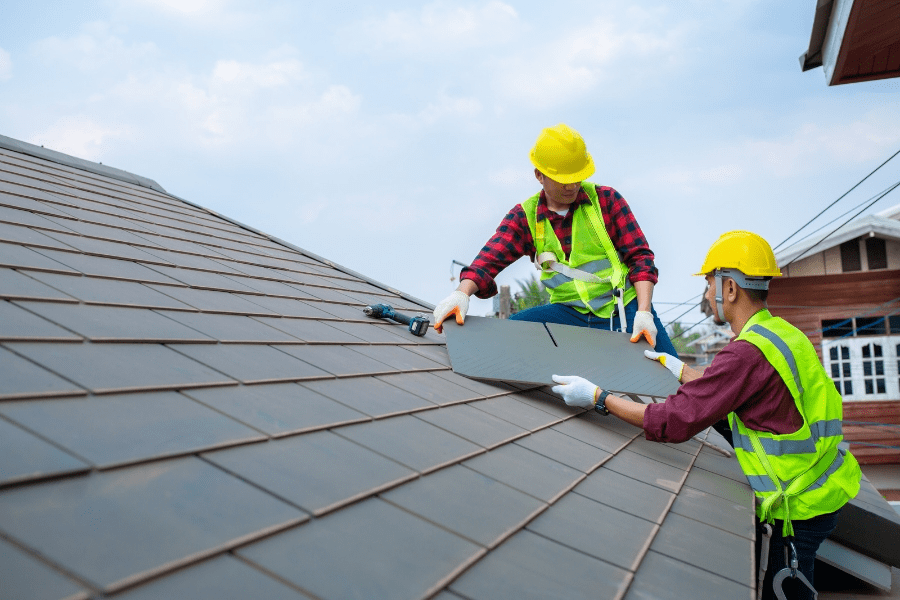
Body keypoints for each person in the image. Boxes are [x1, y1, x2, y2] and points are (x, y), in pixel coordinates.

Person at [550, 230, 861, 600]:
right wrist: (679, 370)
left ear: (729, 288)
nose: (707, 294)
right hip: (823, 485)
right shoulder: (781, 334)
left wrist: (600, 398)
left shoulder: (745, 353)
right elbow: (729, 390)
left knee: (784, 592)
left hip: (800, 506)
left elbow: (674, 421)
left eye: (709, 283)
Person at [432, 123, 678, 355]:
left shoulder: (605, 201)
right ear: (540, 175)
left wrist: (643, 312)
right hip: (568, 315)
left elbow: (641, 258)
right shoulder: (525, 216)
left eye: (577, 177)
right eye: (563, 180)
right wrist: (461, 294)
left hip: (624, 310)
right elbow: (489, 259)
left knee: (674, 379)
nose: (572, 186)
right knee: (506, 337)